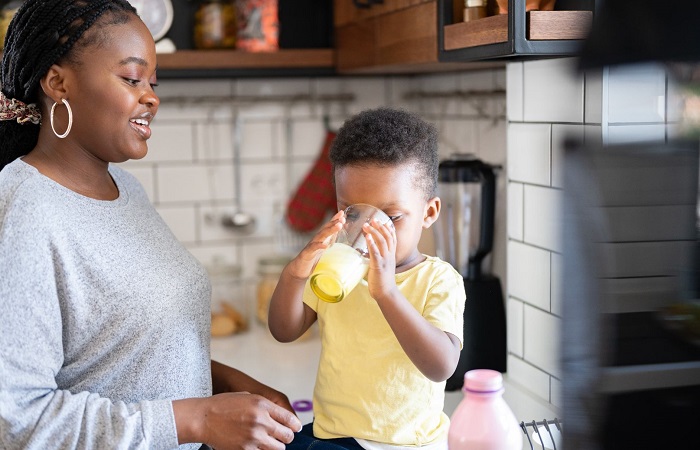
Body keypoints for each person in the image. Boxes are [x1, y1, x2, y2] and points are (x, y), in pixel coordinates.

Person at [0, 1, 301, 449]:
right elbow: (19, 420)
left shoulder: (124, 188)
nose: (151, 97)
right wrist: (195, 419)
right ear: (58, 82)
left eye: (153, 82)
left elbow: (119, 353)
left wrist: (222, 383)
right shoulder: (25, 209)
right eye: (131, 78)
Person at [268, 107, 466, 450]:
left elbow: (441, 366)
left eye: (391, 216)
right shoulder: (336, 268)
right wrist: (295, 272)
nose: (369, 229)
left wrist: (387, 291)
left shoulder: (438, 279)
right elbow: (284, 330)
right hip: (332, 434)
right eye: (353, 212)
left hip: (403, 444)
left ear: (429, 213)